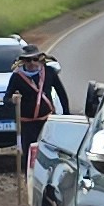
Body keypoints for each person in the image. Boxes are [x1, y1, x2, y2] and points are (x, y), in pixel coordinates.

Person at [8, 43, 66, 173]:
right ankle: (31, 180)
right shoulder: (17, 76)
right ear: (23, 61)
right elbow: (7, 98)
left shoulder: (49, 72)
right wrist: (13, 99)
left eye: (35, 59)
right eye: (28, 60)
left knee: (50, 151)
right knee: (29, 154)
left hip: (46, 119)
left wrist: (66, 113)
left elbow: (61, 93)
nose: (32, 63)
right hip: (27, 123)